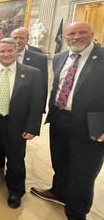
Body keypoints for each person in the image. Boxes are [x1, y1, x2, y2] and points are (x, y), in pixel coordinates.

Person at [30, 22, 104, 220]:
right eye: (71, 33)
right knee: (60, 161)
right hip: (60, 119)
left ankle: (76, 212)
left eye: (82, 32)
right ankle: (59, 192)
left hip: (92, 125)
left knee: (84, 171)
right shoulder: (60, 57)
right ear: (64, 36)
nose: (76, 37)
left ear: (92, 34)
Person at [0, 38, 44, 208]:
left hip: (17, 124)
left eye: (9, 51)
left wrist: (32, 127)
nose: (5, 54)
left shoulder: (33, 73)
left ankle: (15, 191)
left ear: (17, 52)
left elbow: (37, 102)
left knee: (15, 159)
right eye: (2, 51)